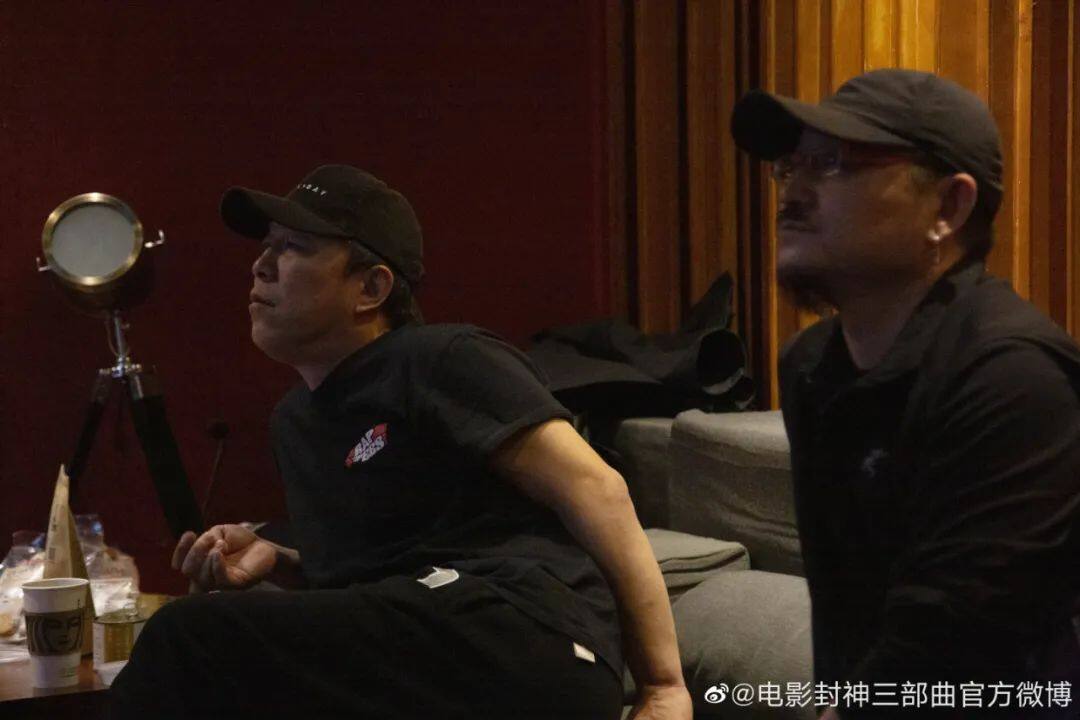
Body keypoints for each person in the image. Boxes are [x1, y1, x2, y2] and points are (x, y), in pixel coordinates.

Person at [108, 165, 692, 719]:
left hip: (525, 631)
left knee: (187, 636)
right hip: (430, 640)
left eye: (293, 247)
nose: (261, 265)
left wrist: (663, 687)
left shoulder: (441, 357)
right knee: (213, 637)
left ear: (371, 287)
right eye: (266, 246)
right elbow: (375, 583)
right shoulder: (294, 421)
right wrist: (280, 561)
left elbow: (598, 490)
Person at [731, 69, 1080, 718]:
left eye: (832, 164)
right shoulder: (813, 365)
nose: (793, 192)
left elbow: (949, 645)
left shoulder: (1014, 378)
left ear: (948, 208)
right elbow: (846, 620)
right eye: (791, 166)